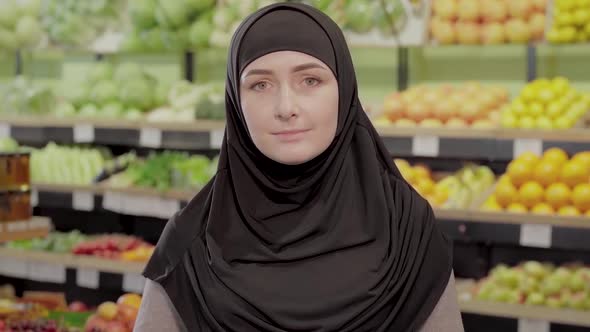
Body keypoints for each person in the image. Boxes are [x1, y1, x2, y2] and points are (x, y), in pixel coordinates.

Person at [134, 3, 464, 332]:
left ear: (344, 88)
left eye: (310, 80)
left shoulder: (407, 227)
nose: (286, 107)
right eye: (260, 85)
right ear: (235, 101)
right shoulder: (191, 243)